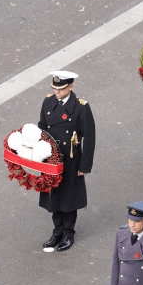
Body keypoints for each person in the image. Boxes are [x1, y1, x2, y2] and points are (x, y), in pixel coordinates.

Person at [37, 71, 96, 252]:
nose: (57, 92)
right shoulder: (48, 102)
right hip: (51, 159)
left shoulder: (81, 107)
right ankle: (57, 231)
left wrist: (84, 166)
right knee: (54, 196)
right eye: (55, 88)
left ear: (71, 87)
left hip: (70, 161)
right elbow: (41, 126)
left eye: (61, 89)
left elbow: (90, 137)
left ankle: (68, 233)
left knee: (69, 198)